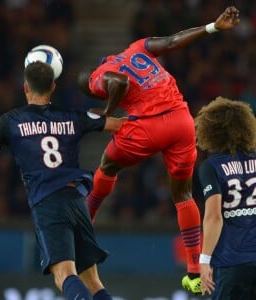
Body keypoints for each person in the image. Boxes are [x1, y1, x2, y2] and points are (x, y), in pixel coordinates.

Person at [77, 6, 240, 294]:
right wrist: (212, 27)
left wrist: (106, 111)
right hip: (181, 121)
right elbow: (175, 41)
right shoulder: (138, 48)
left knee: (108, 166)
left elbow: (118, 82)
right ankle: (193, 272)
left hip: (148, 128)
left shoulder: (98, 75)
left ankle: (84, 221)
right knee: (183, 194)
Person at [0, 61, 125, 300]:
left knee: (64, 275)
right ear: (53, 87)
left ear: (26, 87)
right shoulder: (73, 117)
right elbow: (119, 125)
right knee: (93, 281)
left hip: (48, 202)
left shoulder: (11, 120)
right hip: (77, 200)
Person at [195, 97, 256, 299]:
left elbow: (214, 217)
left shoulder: (211, 167)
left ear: (210, 132)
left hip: (232, 263)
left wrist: (204, 260)